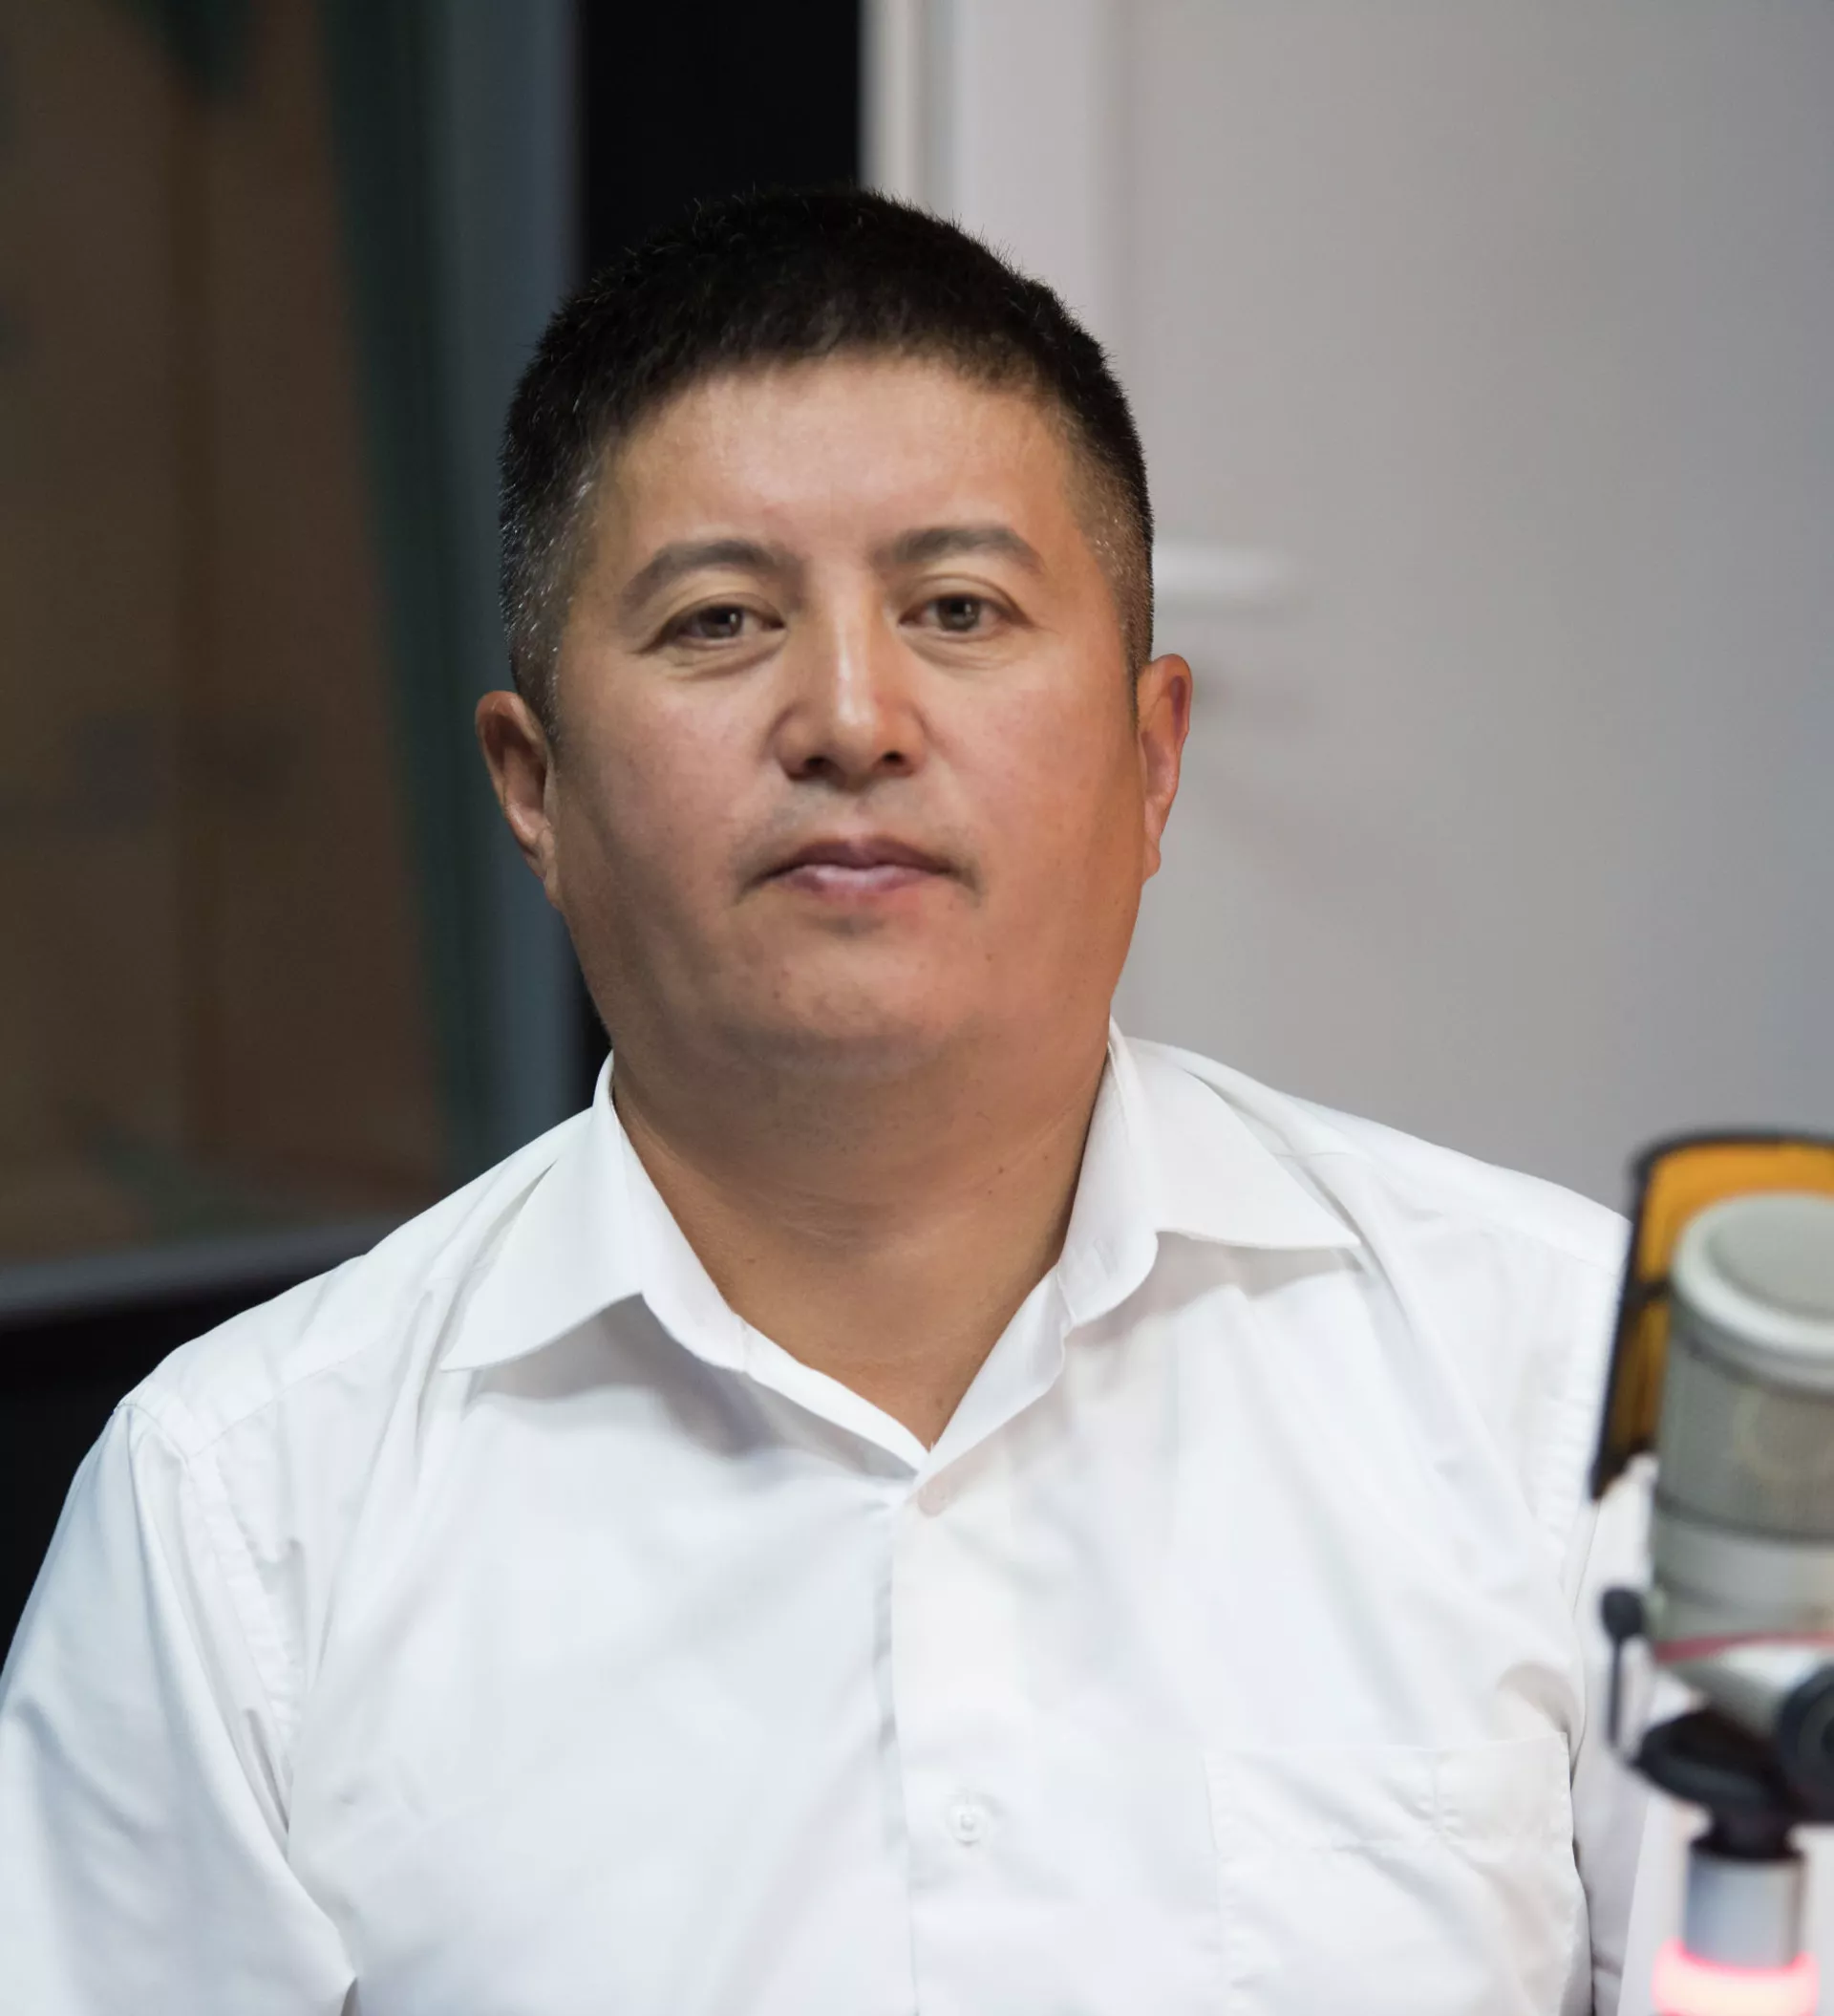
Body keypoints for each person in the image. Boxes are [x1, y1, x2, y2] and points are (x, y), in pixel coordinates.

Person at [0, 187, 1653, 2014]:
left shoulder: (1570, 1381)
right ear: (535, 788)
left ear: (1152, 752)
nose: (853, 717)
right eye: (720, 620)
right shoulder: (243, 1513)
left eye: (958, 607)